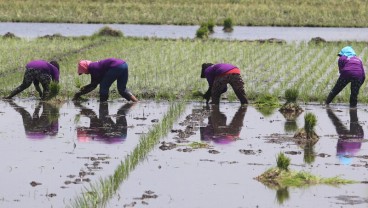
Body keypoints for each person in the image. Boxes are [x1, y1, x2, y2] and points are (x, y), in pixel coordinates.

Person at [73, 58, 138, 102]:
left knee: (103, 86)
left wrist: (79, 93)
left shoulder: (92, 67)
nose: (85, 73)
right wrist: (80, 93)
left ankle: (103, 103)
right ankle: (136, 102)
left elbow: (93, 85)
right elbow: (95, 83)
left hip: (115, 66)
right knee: (122, 89)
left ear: (85, 67)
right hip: (124, 65)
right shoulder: (95, 65)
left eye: (83, 71)